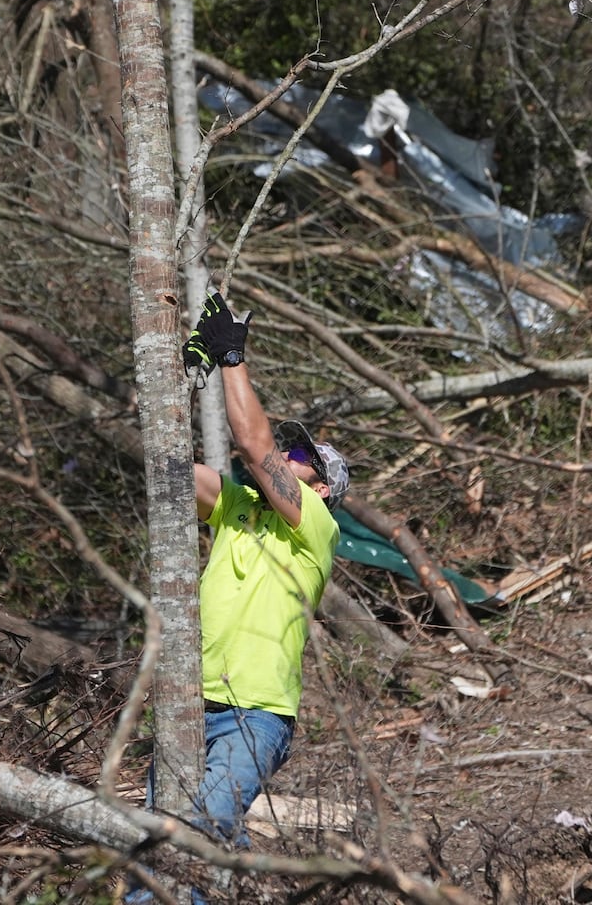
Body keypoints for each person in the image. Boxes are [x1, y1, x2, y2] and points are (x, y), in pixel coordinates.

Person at [175, 290, 350, 845]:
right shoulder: (239, 504)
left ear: (321, 487)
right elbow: (168, 464)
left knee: (202, 832)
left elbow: (255, 445)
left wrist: (232, 359)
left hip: (253, 713)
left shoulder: (317, 523)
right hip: (187, 701)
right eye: (289, 453)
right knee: (156, 843)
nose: (288, 459)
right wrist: (184, 378)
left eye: (302, 460)